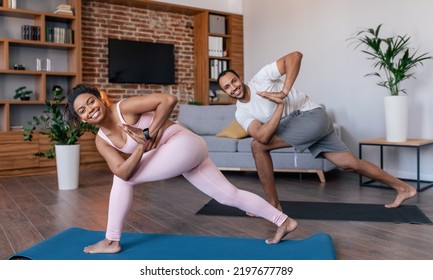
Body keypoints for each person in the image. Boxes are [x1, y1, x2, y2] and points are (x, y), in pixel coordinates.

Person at [66, 83, 298, 254]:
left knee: (123, 181)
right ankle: (283, 221)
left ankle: (112, 240)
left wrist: (148, 133)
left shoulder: (124, 108)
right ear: (82, 119)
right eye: (82, 111)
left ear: (100, 100)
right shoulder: (101, 141)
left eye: (90, 102)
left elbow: (168, 99)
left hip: (182, 142)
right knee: (228, 195)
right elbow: (122, 170)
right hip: (186, 152)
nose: (90, 109)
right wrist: (140, 147)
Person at [217, 51, 417, 211]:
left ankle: (272, 204)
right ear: (225, 92)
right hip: (307, 124)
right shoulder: (241, 112)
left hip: (310, 116)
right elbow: (262, 135)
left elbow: (295, 56)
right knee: (349, 164)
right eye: (227, 87)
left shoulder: (260, 79)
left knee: (256, 147)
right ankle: (404, 188)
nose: (233, 87)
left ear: (239, 78)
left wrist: (283, 93)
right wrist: (279, 106)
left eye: (234, 81)